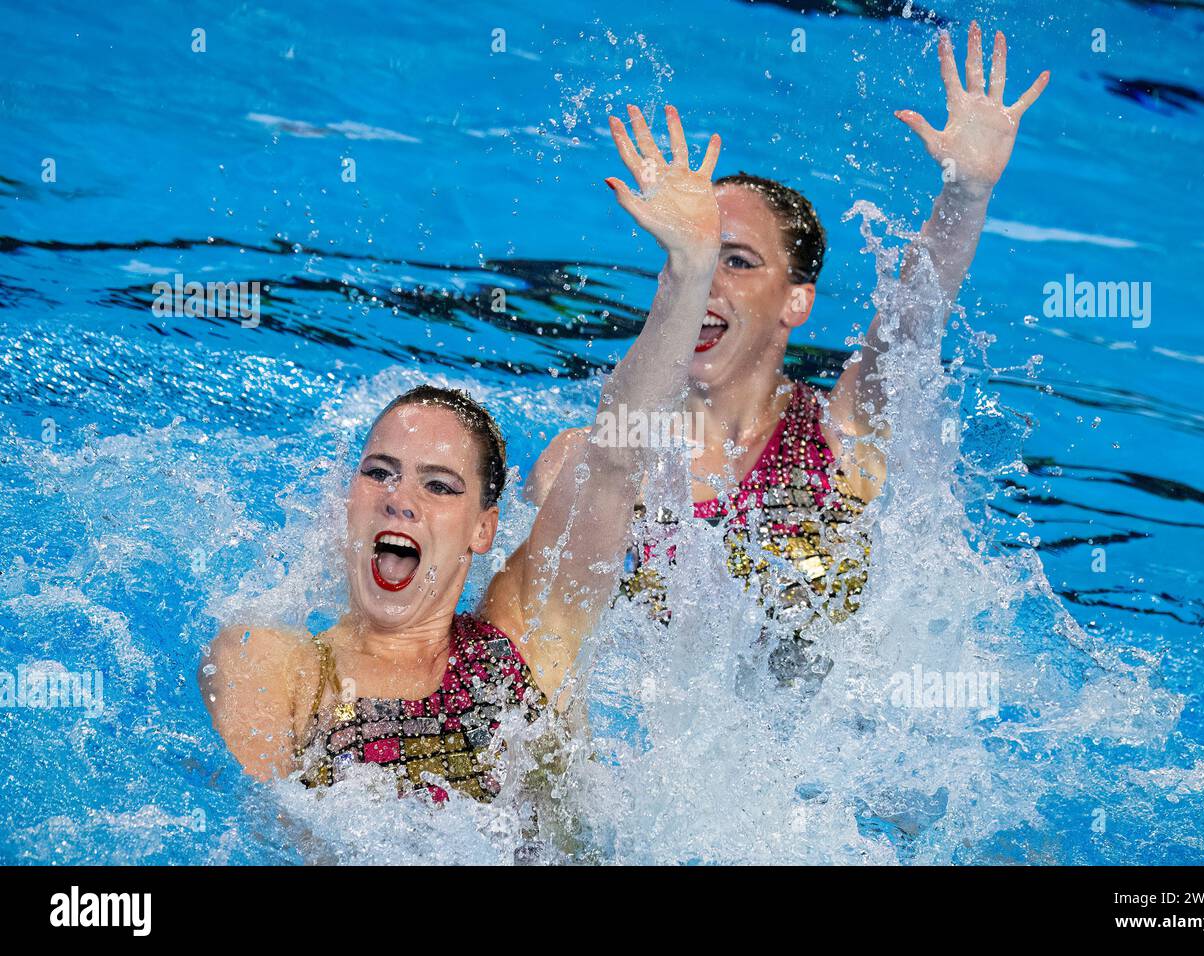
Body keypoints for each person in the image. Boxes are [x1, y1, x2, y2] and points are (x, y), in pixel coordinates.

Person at [496, 21, 1050, 682]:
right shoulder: (589, 462)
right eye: (695, 257)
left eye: (736, 260)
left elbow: (912, 323)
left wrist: (966, 193)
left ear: (796, 302)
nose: (709, 281)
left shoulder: (841, 438)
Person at [200, 106, 724, 801]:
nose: (400, 498)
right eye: (379, 472)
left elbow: (615, 460)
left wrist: (690, 275)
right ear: (349, 497)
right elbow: (277, 828)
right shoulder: (269, 664)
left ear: (485, 527)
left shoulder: (528, 646)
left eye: (441, 486)